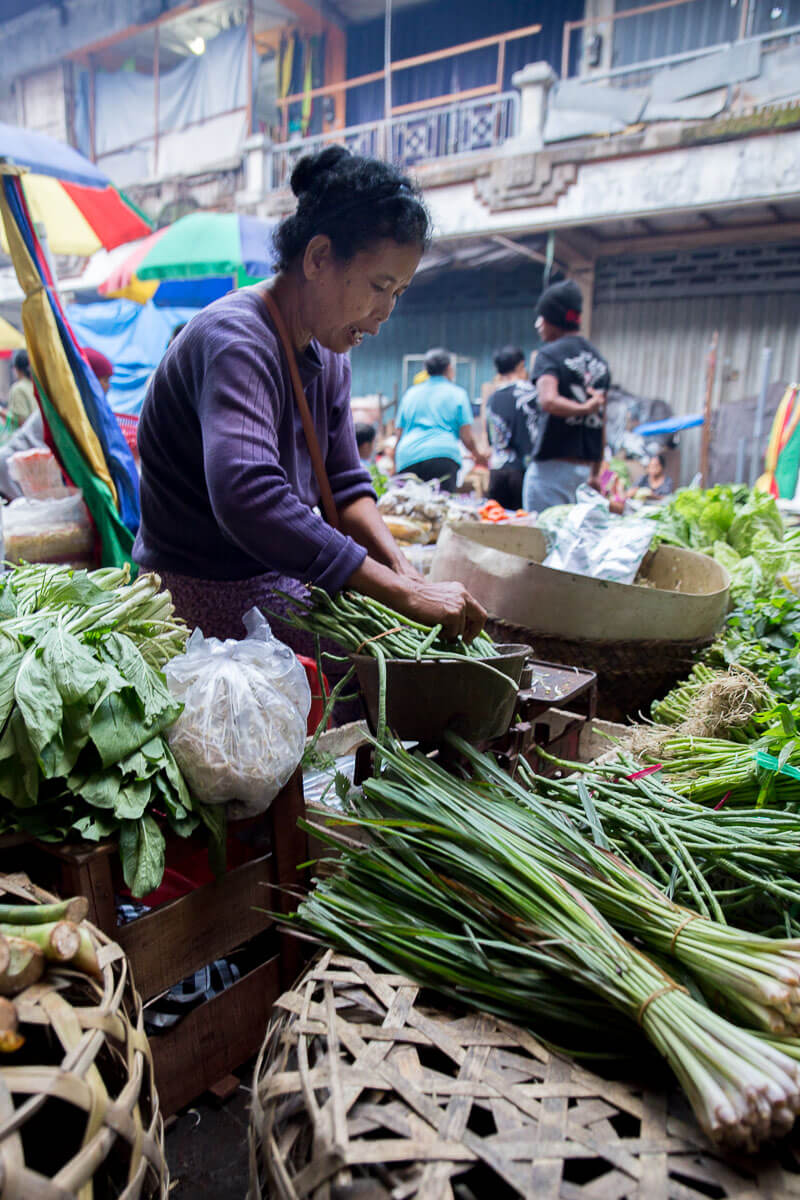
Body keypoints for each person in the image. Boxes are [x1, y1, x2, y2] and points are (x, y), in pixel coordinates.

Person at [133, 145, 486, 661]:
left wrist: (400, 568)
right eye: (378, 285)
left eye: (400, 292)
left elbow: (344, 485)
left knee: (392, 669)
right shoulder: (238, 341)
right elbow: (248, 496)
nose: (386, 311)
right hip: (199, 596)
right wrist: (404, 594)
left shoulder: (328, 347)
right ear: (319, 257)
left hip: (280, 581)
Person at [522, 280, 610, 512]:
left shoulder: (548, 355)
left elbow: (548, 400)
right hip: (584, 473)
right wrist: (596, 472)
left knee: (541, 544)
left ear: (554, 318)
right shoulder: (598, 360)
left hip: (550, 473)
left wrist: (584, 408)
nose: (538, 324)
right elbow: (602, 420)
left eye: (542, 317)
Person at [394, 348, 488, 492]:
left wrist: (395, 462)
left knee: (409, 509)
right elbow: (466, 437)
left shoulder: (410, 394)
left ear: (426, 369)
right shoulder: (457, 394)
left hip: (408, 457)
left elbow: (399, 433)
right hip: (442, 457)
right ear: (449, 369)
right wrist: (478, 455)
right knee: (440, 508)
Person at [485, 345, 536, 511]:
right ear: (521, 365)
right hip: (522, 471)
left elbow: (491, 437)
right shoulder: (530, 393)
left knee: (496, 525)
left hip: (497, 471)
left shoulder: (493, 398)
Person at [7, 349, 37, 430]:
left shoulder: (19, 389)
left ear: (16, 368)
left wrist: (2, 412)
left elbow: (21, 422)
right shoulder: (37, 386)